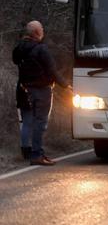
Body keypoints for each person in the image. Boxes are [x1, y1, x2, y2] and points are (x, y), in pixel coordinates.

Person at [12, 21, 72, 165]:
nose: (43, 31)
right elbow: (52, 71)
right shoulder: (41, 49)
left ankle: (30, 152)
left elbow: (16, 61)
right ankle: (37, 154)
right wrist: (66, 86)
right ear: (37, 33)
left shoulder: (19, 48)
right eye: (42, 29)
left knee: (28, 121)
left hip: (24, 89)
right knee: (40, 122)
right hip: (42, 90)